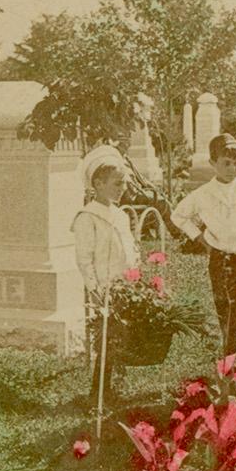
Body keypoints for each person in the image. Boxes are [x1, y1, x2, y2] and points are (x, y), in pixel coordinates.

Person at [171, 133, 236, 358]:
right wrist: (201, 239)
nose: (232, 168)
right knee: (226, 311)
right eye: (226, 163)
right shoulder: (203, 194)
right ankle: (229, 363)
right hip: (220, 259)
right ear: (212, 163)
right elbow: (178, 216)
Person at [73, 146, 140, 408]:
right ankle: (98, 390)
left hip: (125, 285)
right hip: (105, 285)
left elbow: (130, 247)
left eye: (123, 183)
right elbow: (84, 258)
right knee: (106, 338)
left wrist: (135, 276)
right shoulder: (87, 218)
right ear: (98, 184)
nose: (121, 188)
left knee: (122, 337)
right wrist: (95, 287)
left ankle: (115, 385)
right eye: (116, 183)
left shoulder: (120, 214)